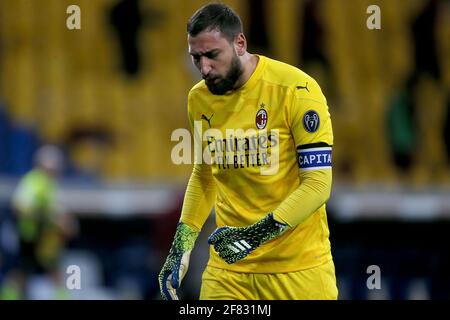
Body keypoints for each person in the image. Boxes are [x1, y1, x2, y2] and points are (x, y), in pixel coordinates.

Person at [159, 3, 337, 300]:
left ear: (239, 43)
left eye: (212, 55)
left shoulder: (297, 90)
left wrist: (253, 236)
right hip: (229, 274)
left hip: (298, 271)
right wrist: (182, 245)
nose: (204, 69)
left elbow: (318, 184)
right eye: (196, 58)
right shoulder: (199, 99)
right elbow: (205, 176)